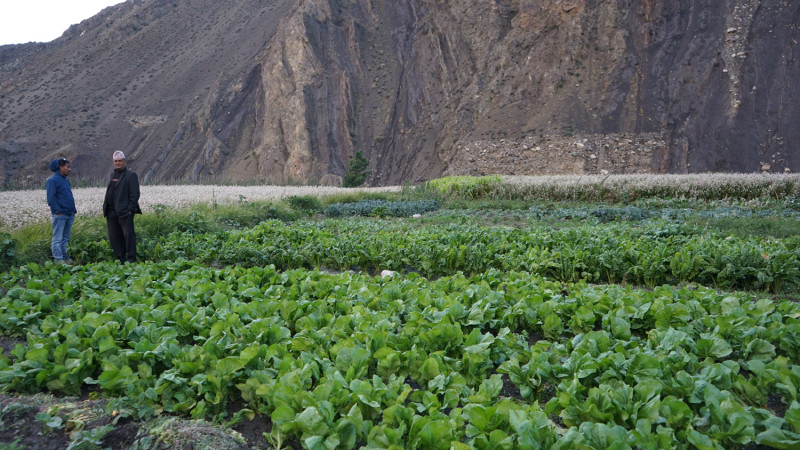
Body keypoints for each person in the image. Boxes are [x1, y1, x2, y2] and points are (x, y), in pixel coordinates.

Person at [102, 151, 142, 263]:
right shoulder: (112, 174)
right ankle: (121, 259)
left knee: (128, 236)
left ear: (124, 162)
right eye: (115, 161)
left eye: (120, 161)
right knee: (114, 237)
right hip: (111, 212)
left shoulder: (131, 175)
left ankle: (131, 260)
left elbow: (135, 194)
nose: (118, 163)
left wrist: (130, 209)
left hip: (124, 212)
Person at [45, 158, 77, 264]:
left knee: (65, 238)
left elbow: (68, 196)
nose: (69, 169)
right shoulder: (52, 180)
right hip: (60, 215)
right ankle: (58, 260)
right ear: (60, 167)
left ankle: (65, 257)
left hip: (69, 213)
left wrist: (73, 210)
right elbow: (51, 199)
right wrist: (58, 211)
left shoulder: (65, 180)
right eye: (67, 167)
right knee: (57, 238)